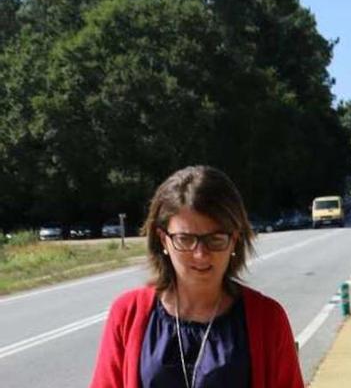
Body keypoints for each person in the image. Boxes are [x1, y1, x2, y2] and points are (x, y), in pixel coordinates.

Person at [90, 165, 304, 388]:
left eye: (216, 239)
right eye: (185, 239)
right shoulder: (127, 314)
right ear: (163, 239)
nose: (201, 254)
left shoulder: (268, 319)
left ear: (234, 240)